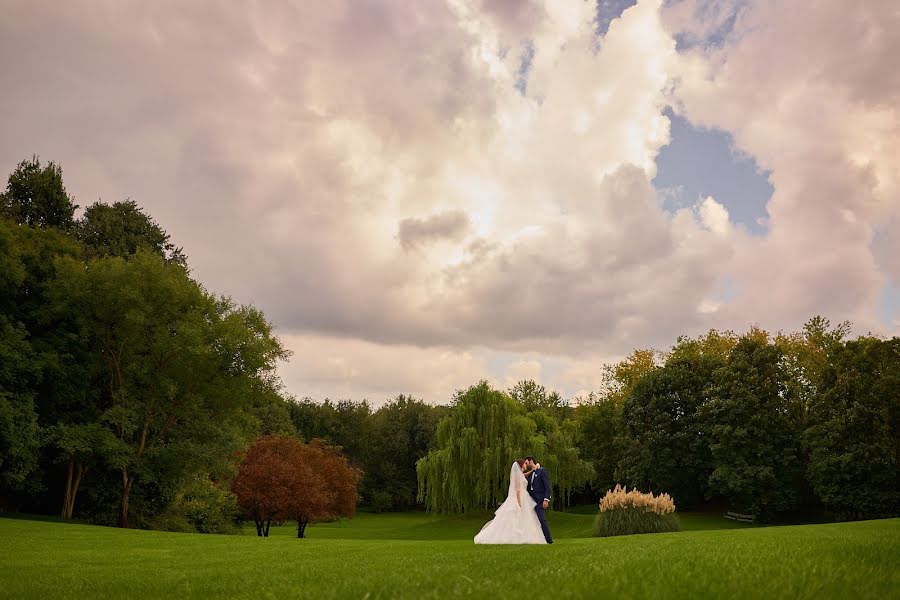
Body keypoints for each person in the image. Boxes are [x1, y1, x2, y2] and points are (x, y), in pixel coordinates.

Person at [473, 459, 547, 544]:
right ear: (521, 465)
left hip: (523, 497)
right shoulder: (517, 476)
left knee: (522, 518)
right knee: (517, 518)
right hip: (520, 498)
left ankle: (521, 535)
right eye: (525, 464)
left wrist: (532, 470)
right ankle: (518, 536)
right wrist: (519, 503)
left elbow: (524, 475)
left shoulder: (520, 475)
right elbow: (518, 490)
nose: (526, 465)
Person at [523, 456, 553, 544]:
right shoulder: (530, 474)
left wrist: (546, 499)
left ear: (531, 461)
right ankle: (535, 539)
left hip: (540, 500)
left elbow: (547, 486)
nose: (526, 465)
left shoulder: (542, 471)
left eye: (526, 463)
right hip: (531, 502)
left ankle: (549, 540)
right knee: (531, 521)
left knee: (541, 519)